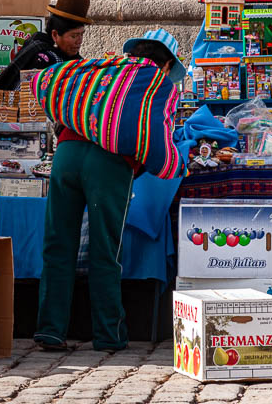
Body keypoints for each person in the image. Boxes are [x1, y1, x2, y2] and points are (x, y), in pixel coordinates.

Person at [33, 29, 186, 352]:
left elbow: (52, 79)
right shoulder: (159, 84)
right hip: (109, 166)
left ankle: (50, 329)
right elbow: (158, 138)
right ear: (168, 61)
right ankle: (108, 334)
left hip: (67, 155)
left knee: (58, 244)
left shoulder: (104, 65)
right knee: (105, 250)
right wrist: (173, 165)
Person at [0, 0, 92, 90]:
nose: (79, 41)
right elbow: (27, 96)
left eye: (81, 35)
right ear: (55, 35)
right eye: (73, 36)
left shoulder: (76, 62)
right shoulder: (43, 59)